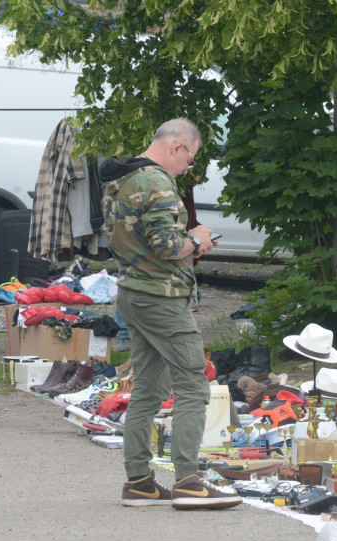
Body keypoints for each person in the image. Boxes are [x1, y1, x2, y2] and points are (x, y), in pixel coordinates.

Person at [101, 117, 241, 510]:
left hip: (133, 292)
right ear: (178, 146)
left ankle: (140, 482)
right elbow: (166, 245)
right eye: (190, 158)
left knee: (147, 388)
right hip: (161, 297)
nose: (188, 167)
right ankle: (189, 481)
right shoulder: (157, 182)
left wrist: (189, 243)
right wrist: (196, 240)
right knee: (194, 385)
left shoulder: (120, 179)